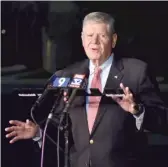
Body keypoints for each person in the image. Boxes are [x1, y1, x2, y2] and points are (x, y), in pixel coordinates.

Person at [5, 12, 167, 167]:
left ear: (114, 40)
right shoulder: (66, 75)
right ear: (82, 39)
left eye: (102, 36)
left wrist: (137, 111)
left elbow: (163, 121)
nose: (94, 42)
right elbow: (62, 131)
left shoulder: (136, 72)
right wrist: (38, 133)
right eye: (89, 36)